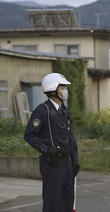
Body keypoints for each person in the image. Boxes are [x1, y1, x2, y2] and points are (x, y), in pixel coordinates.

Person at [24, 73, 80, 212]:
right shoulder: (42, 110)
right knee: (52, 203)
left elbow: (70, 137)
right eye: (62, 86)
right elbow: (29, 135)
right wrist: (46, 149)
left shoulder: (64, 110)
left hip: (67, 163)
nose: (65, 90)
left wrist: (75, 160)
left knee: (68, 201)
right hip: (52, 164)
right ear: (53, 89)